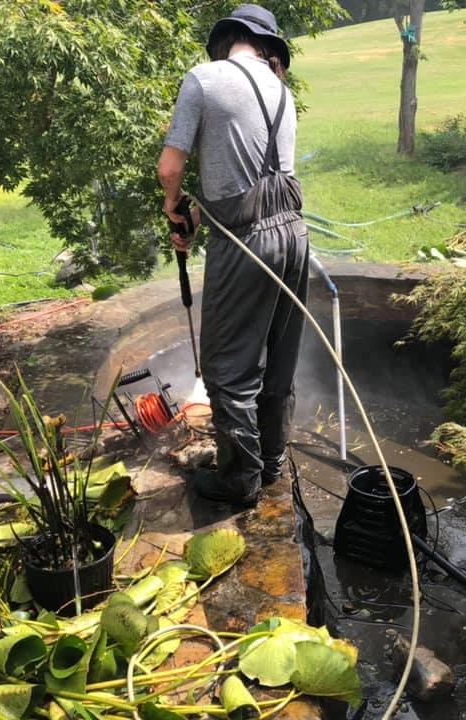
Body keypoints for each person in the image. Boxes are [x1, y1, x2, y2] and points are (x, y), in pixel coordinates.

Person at [157, 4, 308, 507]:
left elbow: (169, 167)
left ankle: (239, 477)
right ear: (265, 46)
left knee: (226, 368)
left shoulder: (204, 78)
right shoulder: (280, 90)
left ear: (226, 40)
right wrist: (196, 224)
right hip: (293, 237)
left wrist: (172, 206)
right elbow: (256, 186)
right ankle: (269, 462)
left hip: (245, 246)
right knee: (277, 359)